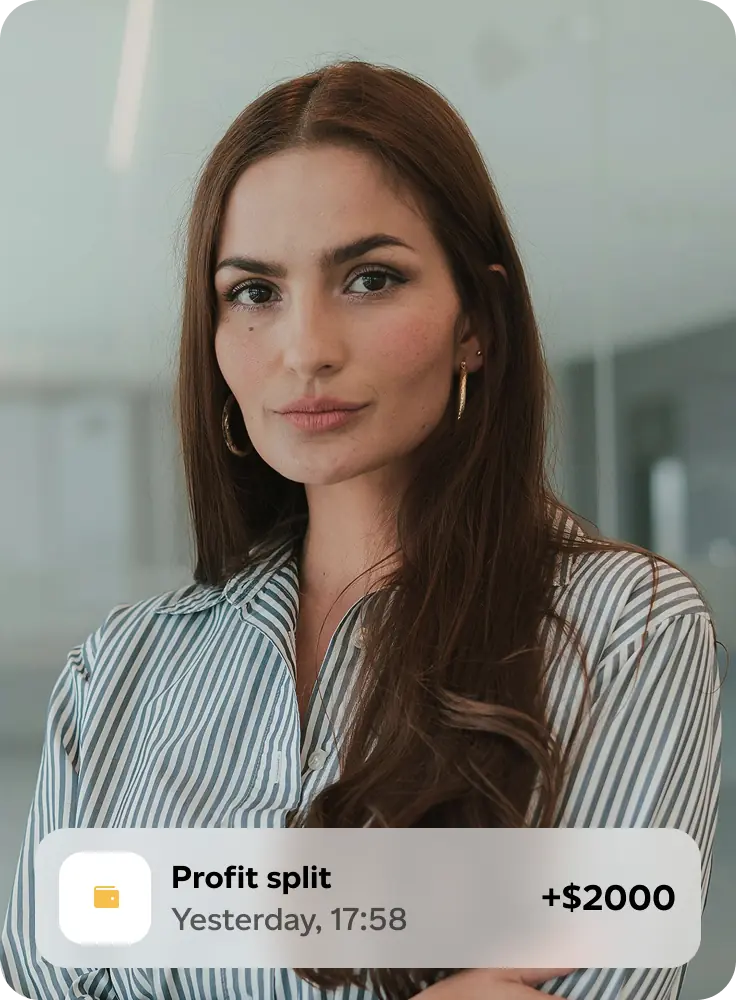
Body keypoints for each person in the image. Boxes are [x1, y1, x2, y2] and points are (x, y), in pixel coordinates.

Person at [0, 57, 722, 1000]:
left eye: (370, 279)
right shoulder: (122, 671)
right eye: (254, 292)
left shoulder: (626, 630)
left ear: (479, 324)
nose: (305, 350)